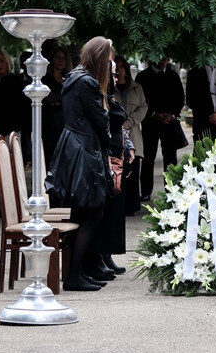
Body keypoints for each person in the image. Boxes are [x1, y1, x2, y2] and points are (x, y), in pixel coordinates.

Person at [46, 36, 115, 291]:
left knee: (82, 211)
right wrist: (109, 140)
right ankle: (74, 275)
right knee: (93, 211)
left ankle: (79, 272)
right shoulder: (87, 82)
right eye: (108, 59)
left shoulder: (75, 78)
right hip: (84, 149)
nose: (110, 65)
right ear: (100, 58)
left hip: (75, 146)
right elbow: (101, 120)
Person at [89, 59, 135, 281]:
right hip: (107, 158)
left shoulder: (110, 97)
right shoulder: (98, 97)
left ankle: (107, 254)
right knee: (105, 210)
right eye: (114, 74)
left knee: (115, 210)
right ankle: (100, 255)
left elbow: (120, 128)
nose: (117, 78)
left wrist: (130, 146)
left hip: (119, 155)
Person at [135, 56, 184, 202]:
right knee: (148, 157)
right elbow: (140, 100)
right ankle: (145, 191)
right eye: (160, 57)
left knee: (170, 158)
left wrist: (172, 114)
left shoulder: (173, 75)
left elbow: (180, 98)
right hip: (150, 123)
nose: (162, 61)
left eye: (165, 58)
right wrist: (153, 114)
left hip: (169, 122)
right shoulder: (143, 76)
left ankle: (171, 190)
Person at [112, 55, 147, 216]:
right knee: (119, 171)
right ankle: (119, 205)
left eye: (122, 67)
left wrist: (130, 121)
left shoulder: (136, 87)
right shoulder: (110, 88)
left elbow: (143, 107)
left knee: (133, 171)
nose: (119, 70)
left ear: (126, 69)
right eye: (116, 67)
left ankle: (132, 206)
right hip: (116, 134)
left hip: (133, 133)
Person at [186, 60, 216, 143]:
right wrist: (210, 116)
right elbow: (191, 100)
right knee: (202, 149)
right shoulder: (194, 72)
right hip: (202, 122)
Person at [41, 47, 72, 162]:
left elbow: (71, 101)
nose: (61, 61)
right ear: (52, 60)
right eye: (58, 57)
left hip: (66, 126)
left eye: (64, 58)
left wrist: (57, 101)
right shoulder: (45, 80)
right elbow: (46, 99)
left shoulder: (69, 80)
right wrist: (60, 100)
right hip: (49, 128)